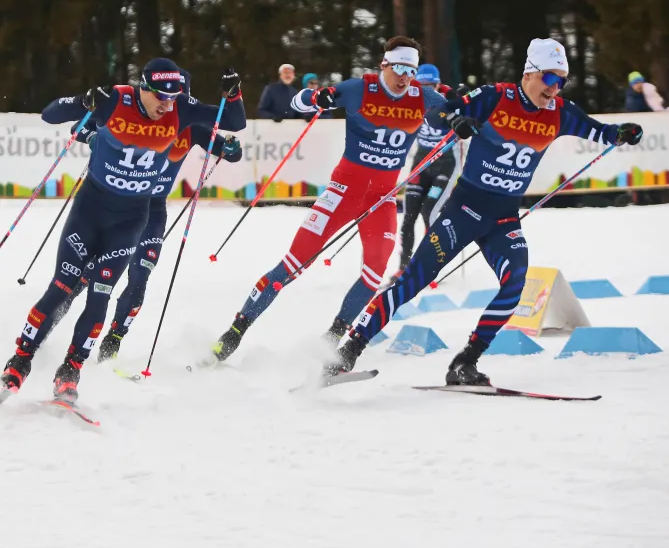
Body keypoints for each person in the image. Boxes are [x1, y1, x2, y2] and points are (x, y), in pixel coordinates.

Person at [329, 38, 644, 385]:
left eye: (562, 81)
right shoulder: (496, 97)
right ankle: (346, 353)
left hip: (504, 217)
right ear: (530, 73)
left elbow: (600, 131)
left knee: (515, 283)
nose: (555, 89)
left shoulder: (560, 113)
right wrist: (457, 122)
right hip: (464, 209)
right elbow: (440, 112)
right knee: (411, 282)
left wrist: (622, 133)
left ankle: (466, 361)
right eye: (550, 79)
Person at [0, 58, 246, 403]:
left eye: (178, 97)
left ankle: (90, 357)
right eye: (163, 96)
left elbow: (231, 130)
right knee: (70, 282)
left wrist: (231, 124)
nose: (168, 105)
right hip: (96, 205)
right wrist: (86, 111)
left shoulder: (188, 120)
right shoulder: (120, 103)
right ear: (145, 89)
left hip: (143, 212)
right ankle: (26, 355)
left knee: (119, 282)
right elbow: (62, 118)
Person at [208, 36, 448, 365]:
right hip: (344, 191)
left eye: (412, 70)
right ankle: (234, 333)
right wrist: (314, 97)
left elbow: (460, 113)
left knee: (376, 271)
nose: (405, 76)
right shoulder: (358, 89)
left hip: (382, 198)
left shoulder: (424, 97)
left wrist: (465, 119)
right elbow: (300, 104)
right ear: (384, 65)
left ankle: (332, 340)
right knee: (293, 264)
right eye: (400, 68)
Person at [49, 124, 244, 362]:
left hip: (154, 210)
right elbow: (78, 127)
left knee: (140, 276)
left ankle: (111, 345)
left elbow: (232, 154)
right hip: (121, 206)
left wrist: (231, 147)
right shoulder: (138, 112)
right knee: (87, 275)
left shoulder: (192, 125)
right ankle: (43, 331)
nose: (170, 104)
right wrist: (91, 136)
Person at [396, 63, 459, 273]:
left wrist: (452, 93)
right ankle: (404, 266)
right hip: (422, 162)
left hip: (445, 164)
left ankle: (430, 264)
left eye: (431, 86)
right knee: (408, 215)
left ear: (438, 85)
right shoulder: (411, 100)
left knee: (429, 210)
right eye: (422, 86)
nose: (426, 91)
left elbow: (462, 105)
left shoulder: (448, 102)